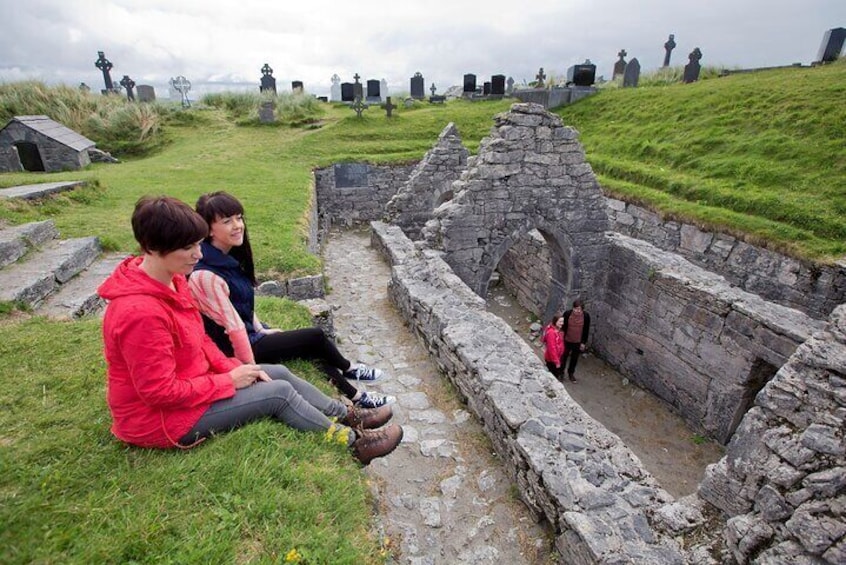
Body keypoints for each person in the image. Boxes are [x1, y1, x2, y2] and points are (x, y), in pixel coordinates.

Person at [97, 195, 402, 465]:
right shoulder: (140, 313)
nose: (199, 255)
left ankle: (347, 414)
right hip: (161, 421)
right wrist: (228, 380)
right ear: (152, 248)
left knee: (275, 372)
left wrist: (234, 368)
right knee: (278, 394)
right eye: (188, 247)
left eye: (197, 245)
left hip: (193, 385)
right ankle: (352, 444)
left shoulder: (173, 281)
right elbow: (158, 393)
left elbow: (200, 339)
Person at [188, 191, 393, 410]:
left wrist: (261, 329)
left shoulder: (227, 257)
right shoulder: (206, 275)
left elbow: (241, 306)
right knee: (314, 337)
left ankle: (357, 397)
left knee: (310, 353)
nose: (237, 225)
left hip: (250, 336)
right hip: (234, 349)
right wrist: (250, 369)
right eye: (227, 221)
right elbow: (234, 327)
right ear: (209, 229)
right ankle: (350, 368)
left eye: (239, 218)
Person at [561, 300, 591, 382]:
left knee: (574, 359)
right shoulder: (567, 314)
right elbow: (563, 327)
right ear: (573, 308)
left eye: (580, 309)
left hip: (577, 342)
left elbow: (586, 330)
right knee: (563, 357)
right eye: (576, 309)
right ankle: (561, 373)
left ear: (582, 310)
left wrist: (583, 342)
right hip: (567, 340)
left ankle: (571, 373)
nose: (577, 311)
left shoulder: (586, 316)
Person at [541, 313, 565, 380]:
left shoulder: (558, 330)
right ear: (555, 321)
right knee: (553, 377)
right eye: (560, 321)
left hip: (557, 357)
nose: (562, 323)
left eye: (563, 321)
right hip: (552, 359)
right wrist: (557, 362)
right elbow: (552, 349)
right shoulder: (551, 333)